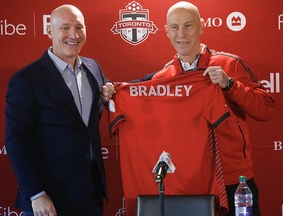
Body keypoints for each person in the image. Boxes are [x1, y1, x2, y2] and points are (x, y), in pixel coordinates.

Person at [102, 1, 275, 215]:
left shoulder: (229, 64)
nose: (181, 34)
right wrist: (114, 95)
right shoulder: (163, 79)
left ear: (202, 26)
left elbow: (265, 109)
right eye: (174, 27)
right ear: (166, 31)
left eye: (189, 26)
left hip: (233, 181)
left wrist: (230, 85)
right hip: (189, 184)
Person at [5, 4, 110, 216]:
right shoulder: (27, 79)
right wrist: (36, 193)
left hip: (90, 195)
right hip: (48, 200)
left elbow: (122, 92)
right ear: (49, 31)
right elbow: (16, 140)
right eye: (65, 27)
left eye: (79, 27)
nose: (73, 34)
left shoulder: (93, 69)